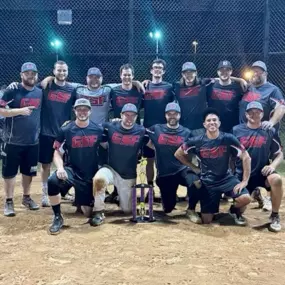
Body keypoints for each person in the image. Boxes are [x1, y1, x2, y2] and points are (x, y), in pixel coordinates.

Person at [175, 108, 251, 225]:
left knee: (245, 198)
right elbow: (178, 153)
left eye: (215, 120)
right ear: (204, 124)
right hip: (208, 182)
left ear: (219, 123)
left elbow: (246, 157)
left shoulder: (228, 138)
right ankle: (204, 209)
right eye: (209, 120)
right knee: (207, 220)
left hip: (226, 178)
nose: (212, 122)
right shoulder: (197, 141)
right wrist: (193, 167)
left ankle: (234, 211)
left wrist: (244, 181)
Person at [47, 98, 104, 235]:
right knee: (52, 181)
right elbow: (57, 152)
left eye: (85, 109)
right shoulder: (66, 129)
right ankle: (57, 217)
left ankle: (81, 199)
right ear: (75, 111)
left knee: (87, 213)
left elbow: (107, 147)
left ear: (90, 111)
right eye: (79, 109)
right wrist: (60, 168)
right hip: (71, 170)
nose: (82, 112)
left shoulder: (98, 129)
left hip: (89, 174)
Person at [239, 61, 285, 211]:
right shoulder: (247, 87)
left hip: (263, 133)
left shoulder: (272, 89)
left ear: (265, 74)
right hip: (244, 133)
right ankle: (255, 191)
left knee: (265, 165)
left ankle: (271, 201)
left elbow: (281, 107)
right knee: (245, 164)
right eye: (254, 71)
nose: (256, 74)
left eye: (260, 71)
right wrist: (238, 79)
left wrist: (271, 122)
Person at [146, 102, 201, 223]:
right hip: (165, 174)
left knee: (196, 181)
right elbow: (148, 143)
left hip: (182, 170)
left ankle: (191, 209)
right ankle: (169, 200)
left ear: (179, 115)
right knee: (168, 208)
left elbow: (191, 152)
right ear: (165, 115)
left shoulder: (186, 132)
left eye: (175, 114)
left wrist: (193, 167)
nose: (172, 116)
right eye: (169, 114)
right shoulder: (156, 129)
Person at [233, 101, 283, 232]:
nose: (254, 114)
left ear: (262, 114)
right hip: (242, 174)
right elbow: (229, 154)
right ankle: (237, 210)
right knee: (240, 204)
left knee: (276, 179)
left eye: (257, 112)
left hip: (262, 172)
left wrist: (272, 165)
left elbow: (279, 154)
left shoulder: (269, 130)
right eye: (251, 112)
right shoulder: (236, 130)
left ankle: (275, 215)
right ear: (246, 114)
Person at [0, 62, 42, 216]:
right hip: (12, 140)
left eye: (33, 73)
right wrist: (19, 111)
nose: (31, 76)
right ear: (21, 75)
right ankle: (9, 201)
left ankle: (26, 197)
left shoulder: (39, 92)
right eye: (27, 73)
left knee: (28, 172)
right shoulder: (13, 91)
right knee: (9, 173)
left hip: (32, 141)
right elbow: (1, 110)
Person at [92, 103, 147, 215]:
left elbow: (153, 143)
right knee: (98, 179)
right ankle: (98, 211)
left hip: (128, 175)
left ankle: (122, 198)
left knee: (127, 211)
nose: (129, 118)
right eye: (127, 115)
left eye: (133, 115)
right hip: (110, 169)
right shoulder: (110, 126)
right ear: (121, 115)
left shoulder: (141, 131)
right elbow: (93, 127)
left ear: (137, 116)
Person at [143, 59, 174, 187]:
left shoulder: (169, 87)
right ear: (151, 70)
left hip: (163, 130)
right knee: (149, 160)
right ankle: (150, 187)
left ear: (163, 71)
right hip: (148, 128)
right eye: (155, 67)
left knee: (163, 161)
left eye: (160, 68)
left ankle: (164, 189)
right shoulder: (144, 86)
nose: (157, 69)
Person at [207, 60, 244, 132]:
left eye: (227, 70)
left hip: (232, 126)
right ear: (218, 72)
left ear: (231, 72)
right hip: (214, 125)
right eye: (222, 70)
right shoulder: (210, 85)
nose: (224, 72)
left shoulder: (238, 87)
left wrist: (240, 80)